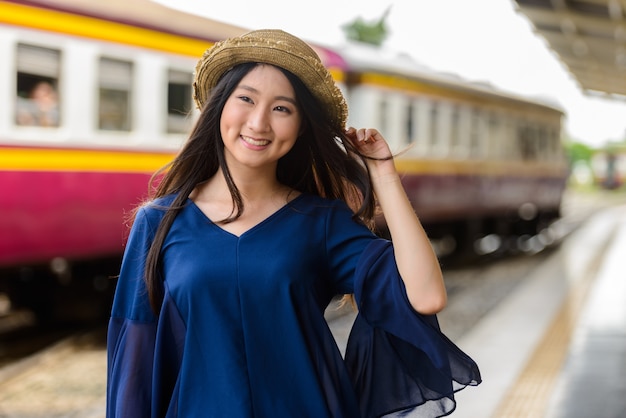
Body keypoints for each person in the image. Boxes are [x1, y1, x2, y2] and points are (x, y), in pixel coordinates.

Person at [106, 29, 481, 418]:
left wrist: (382, 172)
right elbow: (135, 357)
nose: (259, 122)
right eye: (246, 99)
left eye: (281, 108)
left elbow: (425, 296)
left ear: (300, 127)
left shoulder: (320, 222)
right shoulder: (159, 222)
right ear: (219, 107)